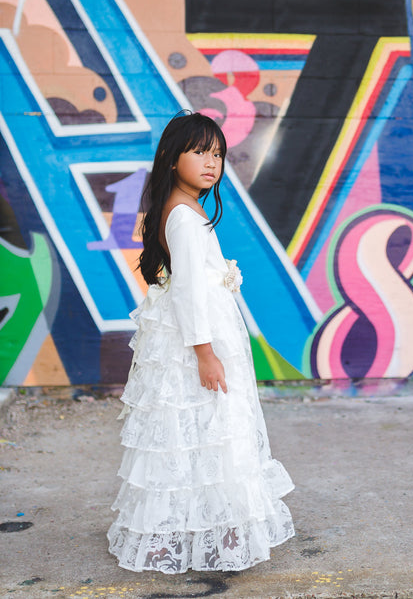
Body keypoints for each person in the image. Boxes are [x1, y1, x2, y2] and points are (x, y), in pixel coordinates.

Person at [107, 111, 294, 574]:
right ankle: (222, 530)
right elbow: (189, 291)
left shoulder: (177, 207)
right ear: (172, 158)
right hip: (201, 342)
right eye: (200, 152)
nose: (212, 163)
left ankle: (204, 526)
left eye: (218, 154)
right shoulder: (186, 219)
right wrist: (206, 355)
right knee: (214, 430)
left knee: (195, 436)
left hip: (200, 338)